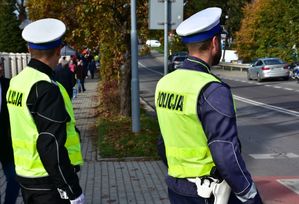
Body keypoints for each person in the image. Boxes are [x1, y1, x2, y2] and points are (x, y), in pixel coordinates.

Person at [155, 7, 263, 204]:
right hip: (210, 194)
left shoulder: (165, 83)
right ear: (215, 43)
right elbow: (225, 153)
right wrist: (249, 194)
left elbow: (163, 141)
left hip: (176, 188)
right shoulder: (212, 89)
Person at [6, 18, 84, 204]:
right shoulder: (45, 87)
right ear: (58, 51)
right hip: (48, 181)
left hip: (26, 176)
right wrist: (71, 190)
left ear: (29, 50)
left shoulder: (16, 82)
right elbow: (50, 143)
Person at [0, 58, 20, 204]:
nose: (0, 69)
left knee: (14, 178)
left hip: (7, 143)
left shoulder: (10, 84)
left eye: (0, 65)